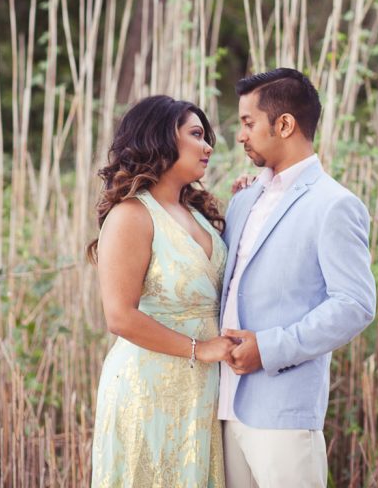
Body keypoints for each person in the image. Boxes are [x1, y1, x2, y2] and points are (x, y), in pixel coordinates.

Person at [220, 68, 376, 488]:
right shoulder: (243, 200)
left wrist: (267, 349)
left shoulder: (334, 205)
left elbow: (354, 305)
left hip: (282, 411)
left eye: (248, 123)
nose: (241, 135)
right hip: (221, 406)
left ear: (284, 124)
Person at [89, 95, 233, 488]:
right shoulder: (131, 215)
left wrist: (252, 196)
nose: (208, 147)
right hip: (147, 386)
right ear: (160, 138)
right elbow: (119, 315)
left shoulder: (199, 214)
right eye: (197, 134)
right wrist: (199, 349)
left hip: (201, 388)